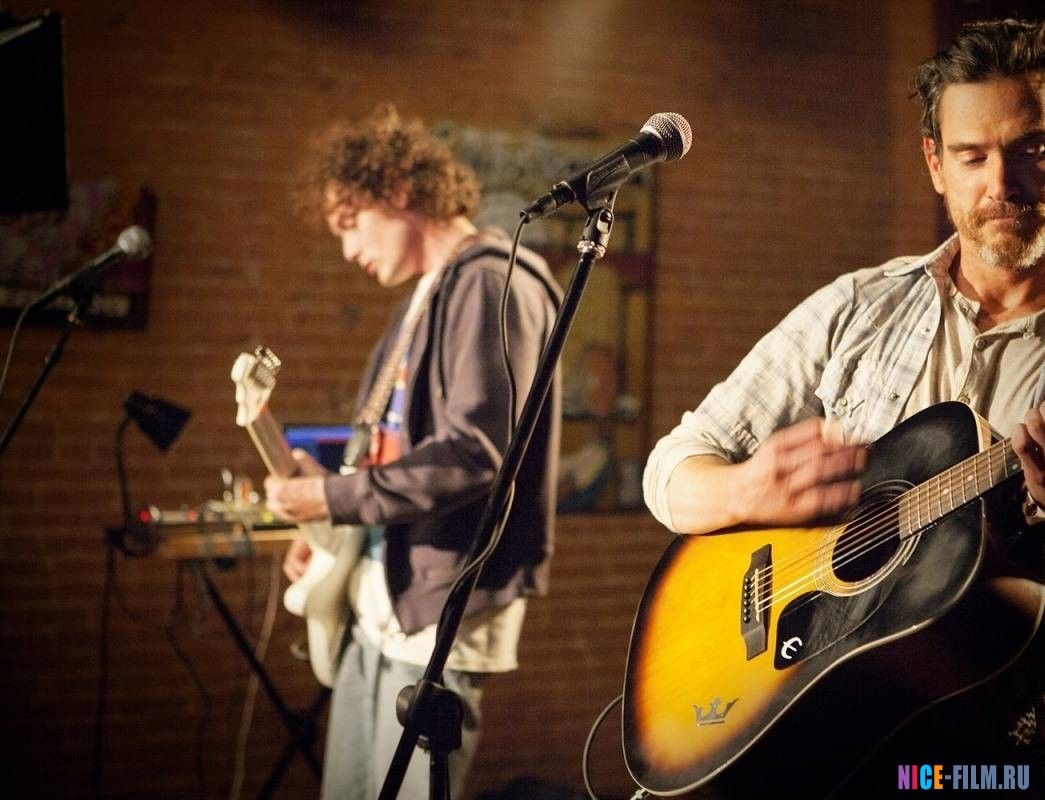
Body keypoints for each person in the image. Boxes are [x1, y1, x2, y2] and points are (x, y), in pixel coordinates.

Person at [641, 16, 1044, 794]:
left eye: (1032, 150)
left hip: (987, 756)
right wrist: (743, 489)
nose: (1001, 185)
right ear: (934, 164)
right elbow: (669, 471)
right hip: (818, 731)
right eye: (971, 156)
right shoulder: (857, 307)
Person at [264, 104, 561, 800]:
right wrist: (334, 528)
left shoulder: (490, 281)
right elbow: (393, 456)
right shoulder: (425, 297)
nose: (347, 250)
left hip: (436, 614)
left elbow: (473, 453)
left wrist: (332, 497)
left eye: (350, 223)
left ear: (397, 189)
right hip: (382, 599)